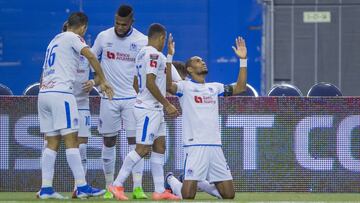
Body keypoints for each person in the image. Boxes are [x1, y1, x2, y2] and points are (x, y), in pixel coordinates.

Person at [37, 12, 113, 199]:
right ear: (83, 27)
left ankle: (46, 188)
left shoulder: (54, 40)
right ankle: (82, 186)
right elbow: (92, 57)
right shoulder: (73, 37)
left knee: (51, 142)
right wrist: (103, 80)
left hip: (44, 93)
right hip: (62, 94)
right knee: (73, 141)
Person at [165, 36, 248, 199]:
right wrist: (169, 57)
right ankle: (171, 180)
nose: (202, 62)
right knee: (188, 195)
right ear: (189, 69)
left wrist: (243, 60)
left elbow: (240, 88)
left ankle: (201, 182)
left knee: (229, 195)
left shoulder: (215, 87)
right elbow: (168, 86)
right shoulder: (185, 87)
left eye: (202, 60)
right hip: (195, 145)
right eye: (197, 61)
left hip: (215, 146)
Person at [108, 24, 180, 201]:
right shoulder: (153, 54)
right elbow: (149, 82)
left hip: (151, 108)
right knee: (142, 149)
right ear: (161, 38)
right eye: (164, 41)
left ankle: (159, 190)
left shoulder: (141, 54)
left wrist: (170, 56)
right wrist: (166, 104)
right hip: (149, 110)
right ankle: (116, 184)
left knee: (159, 146)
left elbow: (137, 83)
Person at [90, 5, 148, 199]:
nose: (120, 27)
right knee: (109, 141)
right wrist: (96, 81)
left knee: (136, 144)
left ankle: (137, 187)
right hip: (109, 98)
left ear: (132, 22)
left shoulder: (142, 41)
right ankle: (109, 187)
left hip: (133, 100)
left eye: (124, 24)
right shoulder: (103, 37)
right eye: (117, 23)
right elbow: (91, 59)